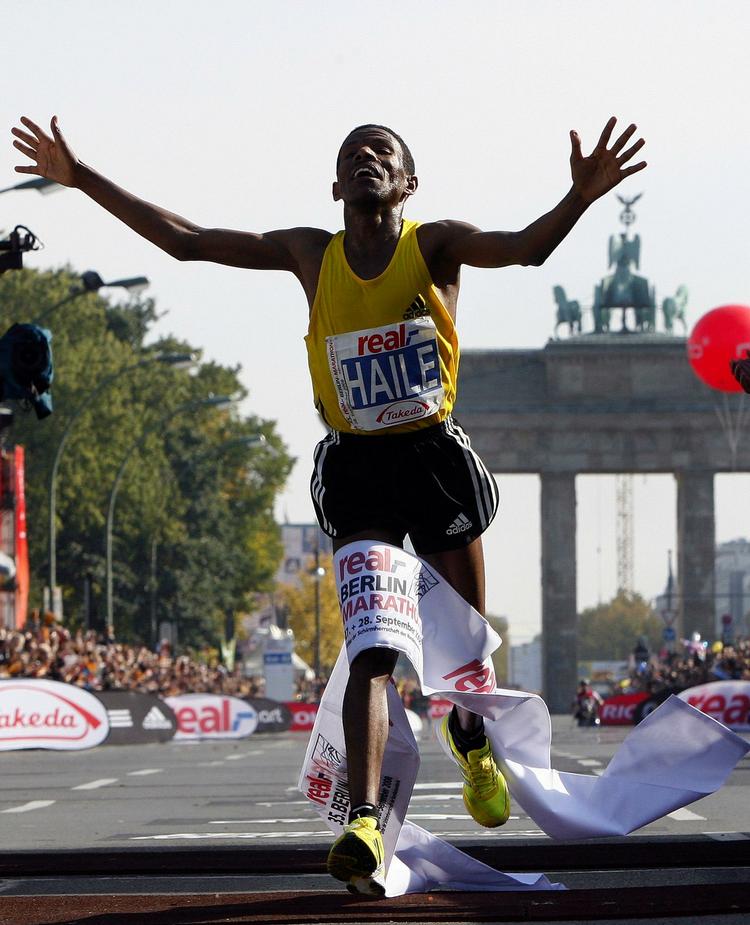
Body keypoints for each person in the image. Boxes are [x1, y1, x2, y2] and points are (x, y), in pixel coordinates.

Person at [11, 114, 645, 892]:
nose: (368, 159)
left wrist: (577, 197)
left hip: (433, 456)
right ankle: (369, 817)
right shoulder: (311, 253)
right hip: (358, 468)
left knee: (466, 654)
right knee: (373, 651)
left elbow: (527, 248)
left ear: (406, 184)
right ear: (337, 187)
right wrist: (82, 175)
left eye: (384, 152)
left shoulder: (434, 245)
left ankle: (469, 729)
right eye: (353, 155)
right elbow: (189, 239)